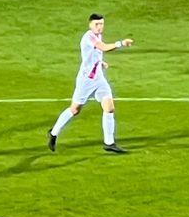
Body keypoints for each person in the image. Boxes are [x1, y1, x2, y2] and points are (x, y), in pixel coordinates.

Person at [48, 13, 132, 154]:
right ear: (90, 25)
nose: (100, 27)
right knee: (75, 110)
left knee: (109, 107)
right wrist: (121, 43)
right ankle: (53, 133)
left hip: (98, 78)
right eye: (97, 24)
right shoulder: (89, 37)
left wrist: (100, 62)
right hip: (86, 80)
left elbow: (94, 53)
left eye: (102, 24)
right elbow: (103, 47)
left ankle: (109, 143)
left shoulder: (97, 35)